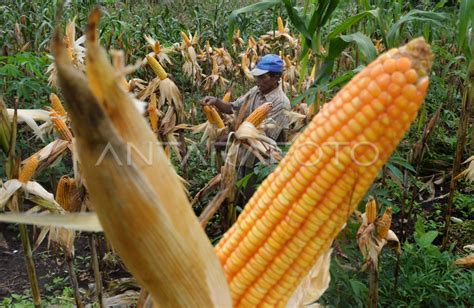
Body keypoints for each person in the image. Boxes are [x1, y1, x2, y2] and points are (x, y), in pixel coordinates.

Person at [201, 54, 291, 204]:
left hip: (261, 162)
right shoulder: (256, 91)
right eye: (258, 77)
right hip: (242, 154)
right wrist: (216, 101)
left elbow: (264, 138)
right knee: (237, 195)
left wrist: (230, 138)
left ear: (277, 77)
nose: (258, 80)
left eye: (263, 77)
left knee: (252, 200)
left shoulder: (281, 103)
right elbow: (232, 107)